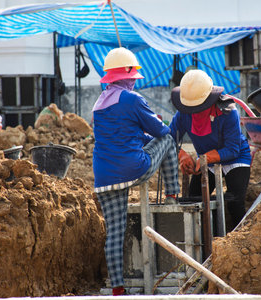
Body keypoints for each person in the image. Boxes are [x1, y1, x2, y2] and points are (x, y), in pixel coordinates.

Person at [92, 47, 180, 296]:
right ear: (127, 77)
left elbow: (123, 134)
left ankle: (118, 288)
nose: (134, 82)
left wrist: (140, 136)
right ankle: (173, 194)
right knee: (169, 141)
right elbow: (160, 131)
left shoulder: (99, 104)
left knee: (115, 233)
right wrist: (159, 123)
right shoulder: (133, 99)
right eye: (132, 78)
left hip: (104, 177)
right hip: (134, 168)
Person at [169, 69, 251, 232]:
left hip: (235, 158)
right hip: (206, 161)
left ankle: (239, 240)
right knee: (194, 199)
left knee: (234, 201)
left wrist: (204, 158)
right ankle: (209, 239)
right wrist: (181, 154)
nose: (194, 111)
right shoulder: (183, 114)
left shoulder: (228, 112)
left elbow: (232, 149)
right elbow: (168, 139)